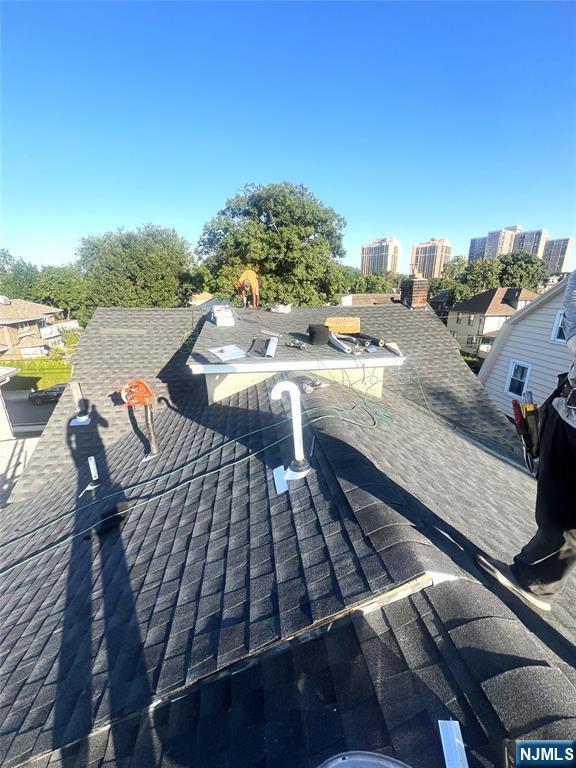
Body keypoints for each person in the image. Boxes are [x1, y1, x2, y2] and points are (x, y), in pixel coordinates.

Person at [477, 270, 576, 612]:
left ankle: (536, 584)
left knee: (569, 519)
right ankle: (536, 580)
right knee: (552, 507)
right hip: (567, 415)